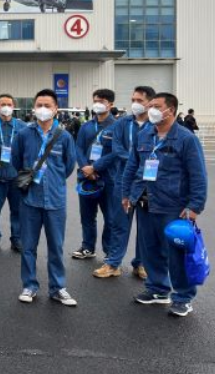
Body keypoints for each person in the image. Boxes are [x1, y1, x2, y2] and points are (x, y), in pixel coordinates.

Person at [122, 92, 208, 317]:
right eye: (150, 105)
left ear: (171, 110)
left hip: (173, 206)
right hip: (144, 202)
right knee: (150, 250)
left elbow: (198, 175)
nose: (151, 110)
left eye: (157, 106)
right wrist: (126, 194)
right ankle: (158, 289)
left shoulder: (186, 139)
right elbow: (132, 166)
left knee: (176, 254)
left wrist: (195, 206)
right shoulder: (144, 134)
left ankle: (183, 297)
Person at [12, 89, 77, 306]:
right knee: (28, 246)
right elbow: (16, 161)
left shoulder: (64, 136)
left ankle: (58, 287)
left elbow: (69, 166)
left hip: (55, 200)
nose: (43, 109)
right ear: (34, 108)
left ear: (56, 109)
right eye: (39, 105)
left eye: (47, 105)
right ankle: (29, 285)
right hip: (30, 199)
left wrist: (54, 180)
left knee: (56, 247)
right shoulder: (23, 134)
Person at [106, 86, 155, 280]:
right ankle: (113, 263)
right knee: (120, 223)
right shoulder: (122, 123)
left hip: (146, 184)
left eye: (139, 100)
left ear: (150, 103)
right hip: (123, 181)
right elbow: (117, 149)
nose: (135, 104)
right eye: (133, 99)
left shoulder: (155, 125)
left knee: (145, 227)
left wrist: (138, 162)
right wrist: (136, 160)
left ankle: (141, 264)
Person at [72, 89, 117, 261]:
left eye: (102, 101)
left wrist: (95, 167)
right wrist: (85, 167)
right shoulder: (86, 126)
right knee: (87, 216)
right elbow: (78, 148)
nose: (97, 104)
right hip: (86, 178)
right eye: (95, 100)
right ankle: (88, 247)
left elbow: (117, 152)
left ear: (110, 104)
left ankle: (109, 252)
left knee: (110, 218)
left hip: (108, 179)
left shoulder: (117, 127)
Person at [0, 94, 27, 252]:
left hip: (16, 177)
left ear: (13, 106)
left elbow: (29, 148)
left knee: (17, 211)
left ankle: (17, 239)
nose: (6, 107)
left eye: (9, 104)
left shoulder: (23, 126)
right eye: (3, 104)